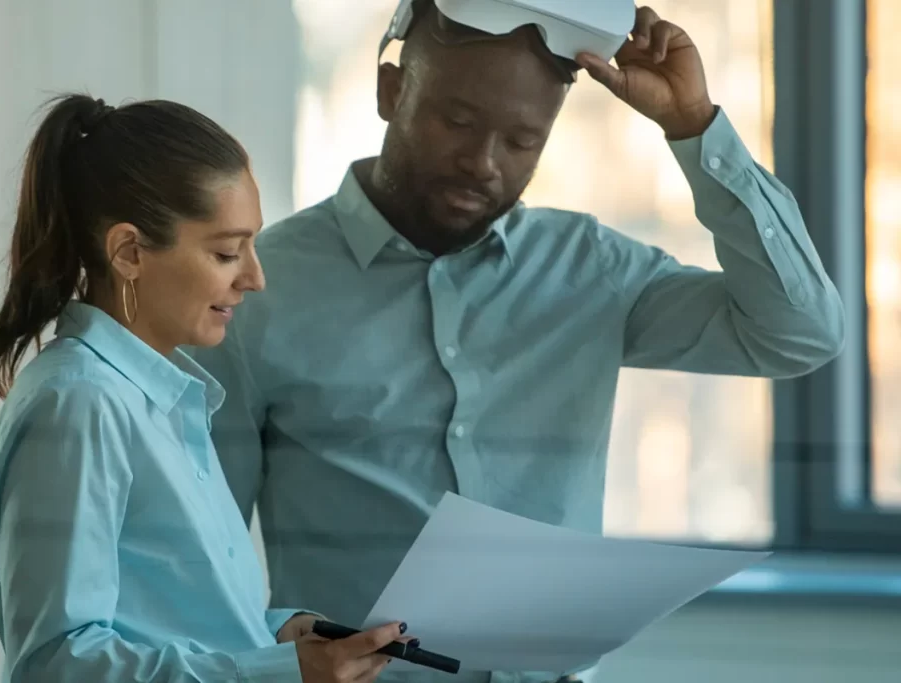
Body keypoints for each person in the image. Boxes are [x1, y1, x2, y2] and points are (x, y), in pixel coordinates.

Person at [200, 2, 845, 682]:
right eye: (457, 121)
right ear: (392, 92)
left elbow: (799, 334)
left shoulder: (591, 271)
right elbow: (204, 554)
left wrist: (694, 128)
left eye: (521, 141)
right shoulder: (256, 291)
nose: (483, 162)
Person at [0, 93, 409, 683]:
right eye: (227, 251)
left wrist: (278, 634)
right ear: (129, 252)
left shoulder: (161, 401)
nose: (255, 277)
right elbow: (56, 663)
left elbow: (166, 620)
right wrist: (279, 675)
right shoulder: (80, 404)